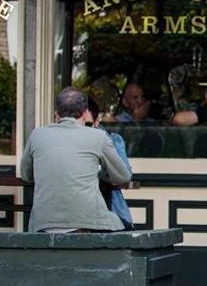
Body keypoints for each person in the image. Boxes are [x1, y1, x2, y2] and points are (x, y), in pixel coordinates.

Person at [18, 87, 131, 233]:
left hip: (43, 223)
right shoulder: (98, 136)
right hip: (88, 220)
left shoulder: (37, 135)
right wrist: (98, 173)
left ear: (56, 114)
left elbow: (26, 175)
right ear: (85, 114)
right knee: (122, 226)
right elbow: (123, 176)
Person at [87, 96, 135, 230]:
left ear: (97, 121)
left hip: (110, 210)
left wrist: (96, 172)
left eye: (88, 125)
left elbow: (125, 175)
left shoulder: (112, 139)